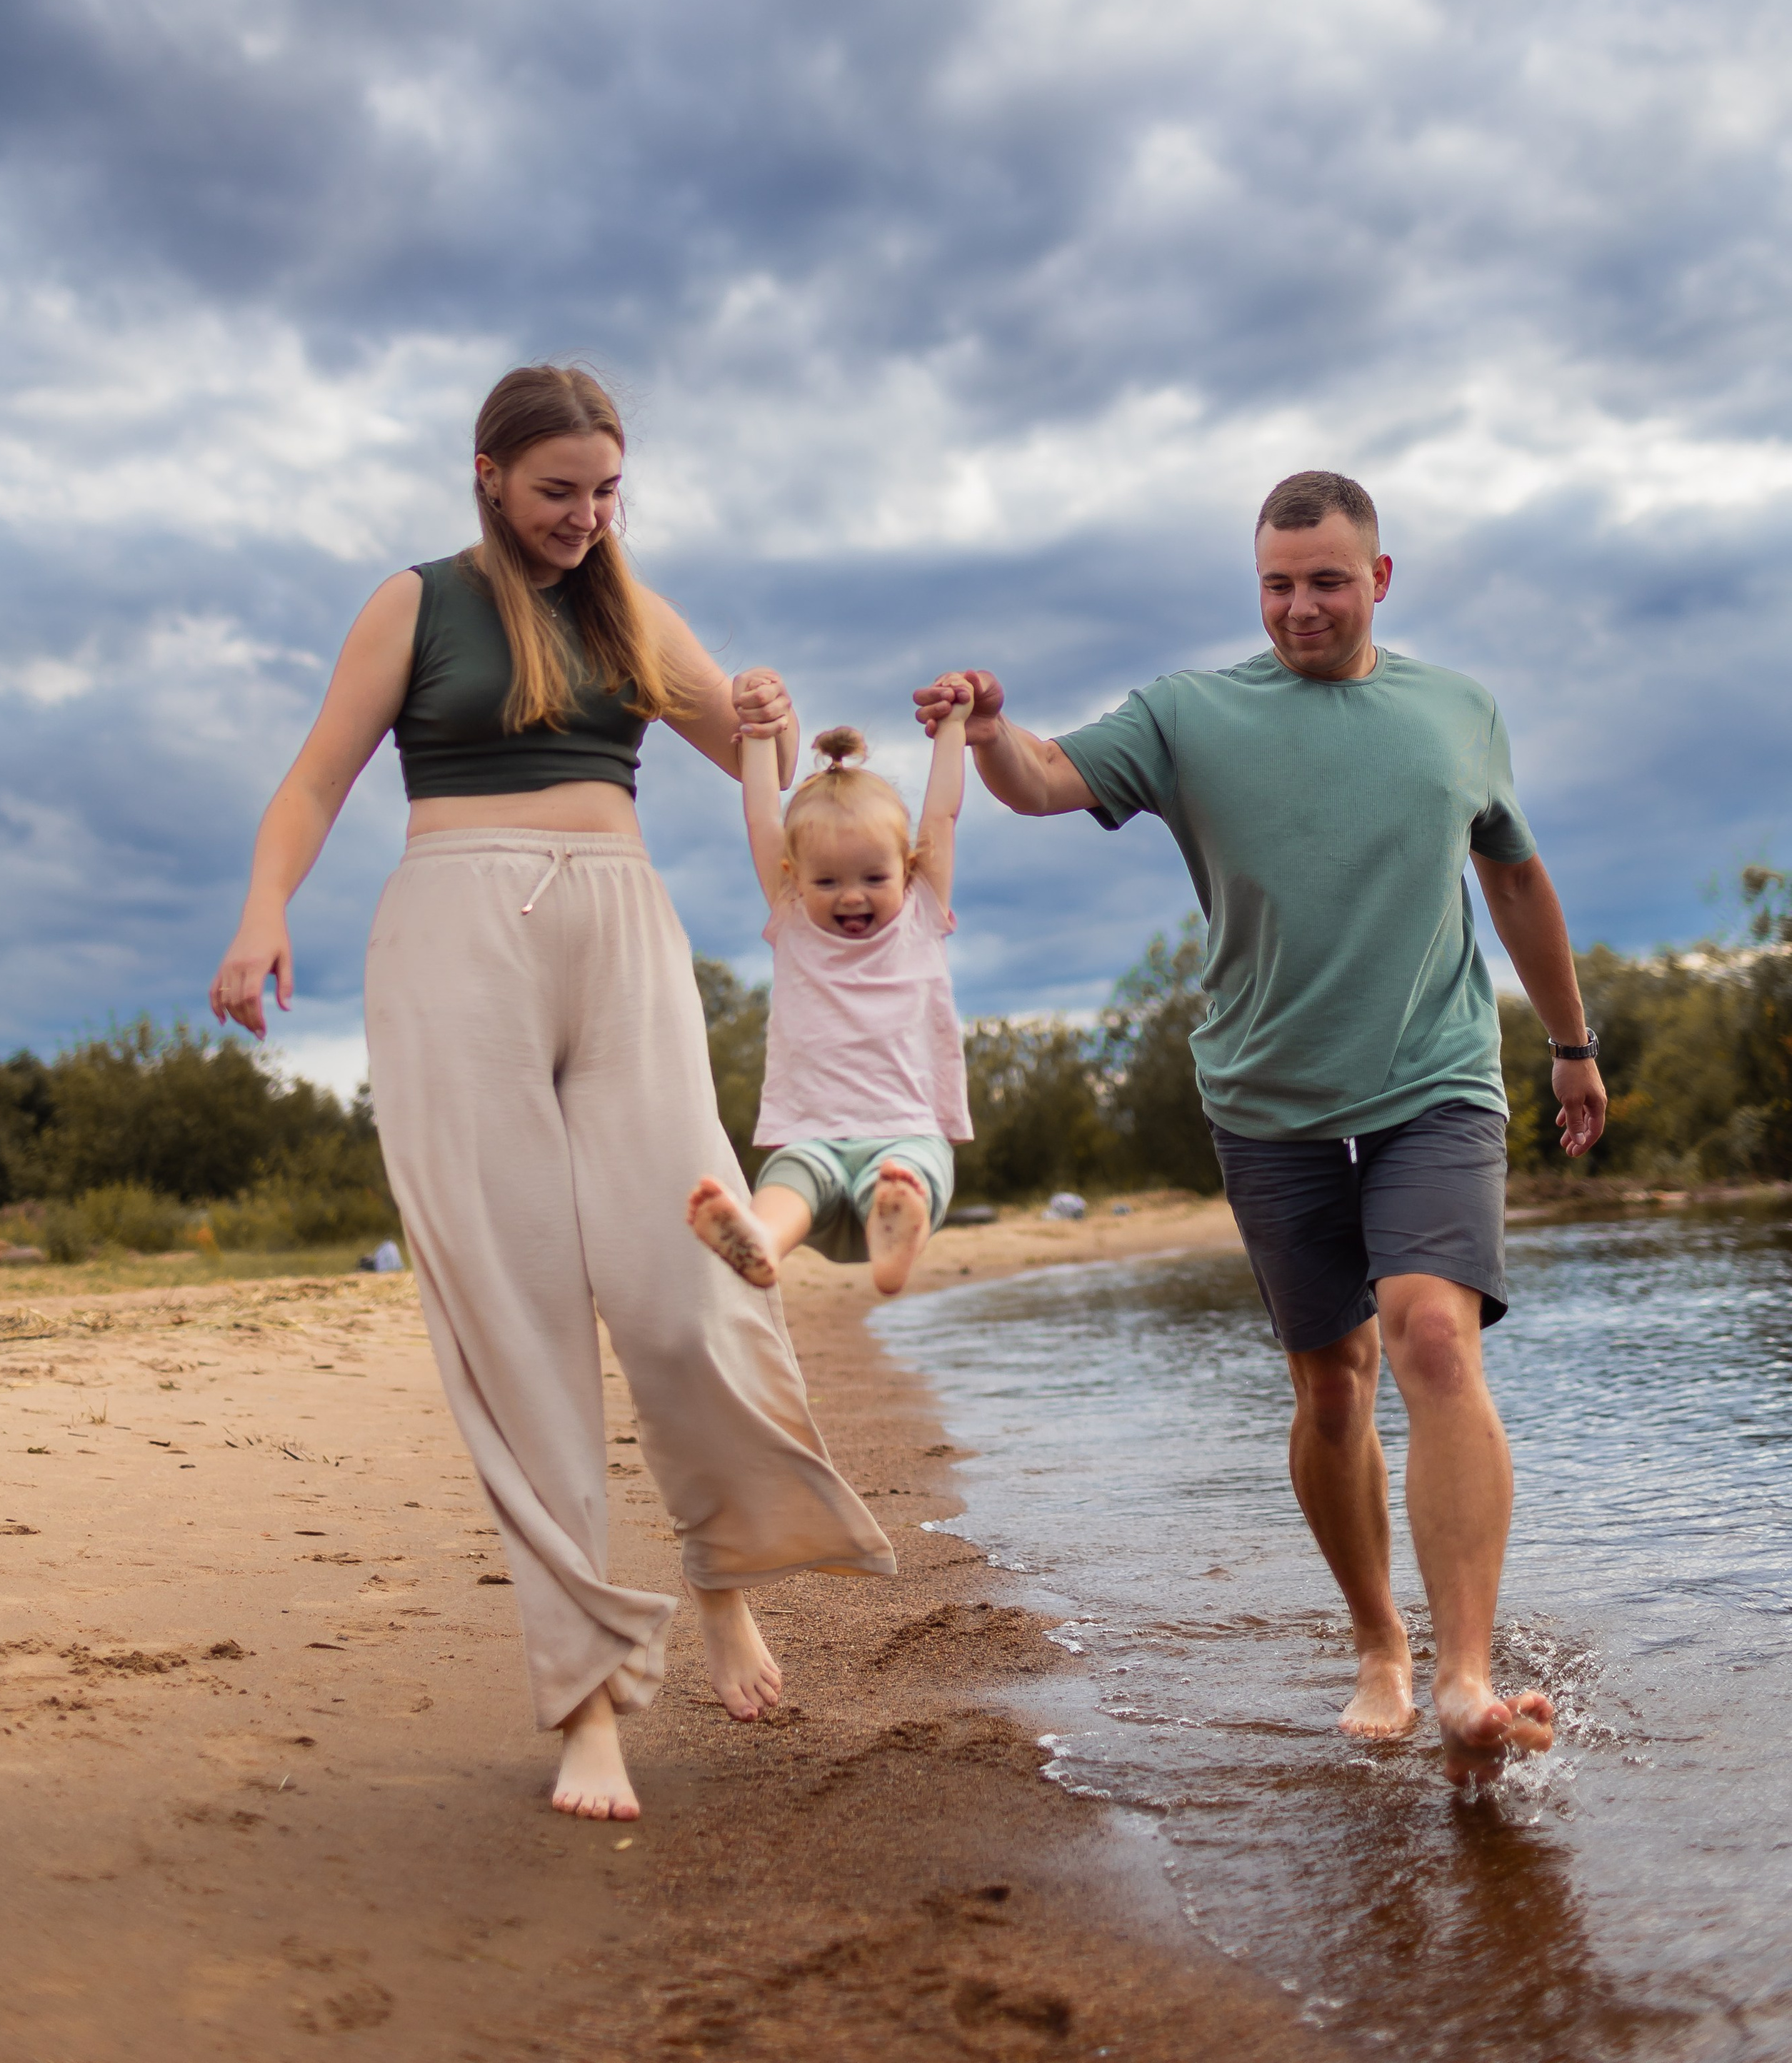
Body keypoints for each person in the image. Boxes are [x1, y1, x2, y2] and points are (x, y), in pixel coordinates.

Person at [210, 363, 892, 1824]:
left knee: (685, 1284)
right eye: (555, 492)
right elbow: (316, 781)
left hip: (623, 929)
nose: (584, 518)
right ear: (487, 476)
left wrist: (769, 716)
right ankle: (588, 1707)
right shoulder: (415, 605)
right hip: (453, 940)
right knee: (518, 1324)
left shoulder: (633, 608)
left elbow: (759, 771)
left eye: (605, 492)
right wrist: (263, 913)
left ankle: (721, 1574)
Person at [914, 470, 1606, 1788]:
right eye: (1278, 585)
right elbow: (1045, 780)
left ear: (1380, 579)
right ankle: (1380, 1642)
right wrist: (993, 732)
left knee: (1433, 1339)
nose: (1300, 608)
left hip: (1435, 1079)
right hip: (1266, 1100)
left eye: (1328, 581)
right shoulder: (1191, 714)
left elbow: (1515, 875)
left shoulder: (1459, 710)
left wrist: (1572, 1047)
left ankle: (1465, 1680)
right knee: (1332, 1384)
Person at [687, 686, 973, 1300]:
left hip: (907, 1134)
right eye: (827, 882)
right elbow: (762, 821)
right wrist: (759, 737)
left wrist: (954, 728)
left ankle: (894, 1230)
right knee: (788, 1182)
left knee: (905, 1177)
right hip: (813, 1134)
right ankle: (763, 1241)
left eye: (874, 877)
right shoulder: (792, 915)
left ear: (908, 866)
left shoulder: (922, 907)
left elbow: (942, 817)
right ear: (793, 877)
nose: (851, 896)